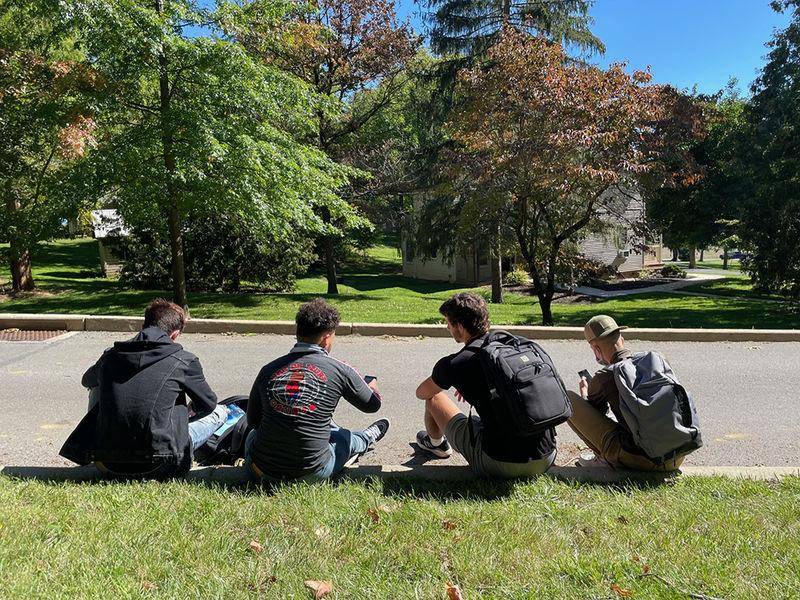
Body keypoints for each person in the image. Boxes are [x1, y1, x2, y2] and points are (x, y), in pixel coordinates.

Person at [60, 298, 227, 478]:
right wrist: (191, 409)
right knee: (221, 412)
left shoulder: (110, 357)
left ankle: (108, 436)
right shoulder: (184, 360)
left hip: (107, 463)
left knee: (97, 384)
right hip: (163, 464)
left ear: (143, 325)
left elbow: (87, 380)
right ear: (175, 334)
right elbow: (208, 404)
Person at [245, 298, 389, 483]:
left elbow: (253, 421)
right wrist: (373, 386)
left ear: (297, 332)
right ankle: (366, 438)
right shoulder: (340, 369)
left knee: (252, 436)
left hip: (259, 470)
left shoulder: (268, 369)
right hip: (311, 472)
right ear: (326, 337)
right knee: (344, 437)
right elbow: (372, 405)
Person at [414, 292, 557, 478]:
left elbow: (422, 392)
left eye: (448, 323)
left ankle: (436, 445)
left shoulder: (456, 364)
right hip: (546, 457)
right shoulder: (516, 346)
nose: (447, 327)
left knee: (434, 397)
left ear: (460, 326)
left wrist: (461, 381)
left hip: (499, 463)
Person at [568, 314, 685, 471]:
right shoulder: (656, 359)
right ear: (621, 340)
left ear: (596, 350)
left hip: (644, 460)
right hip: (677, 455)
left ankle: (603, 458)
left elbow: (596, 414)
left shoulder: (604, 376)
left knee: (568, 399)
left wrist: (584, 395)